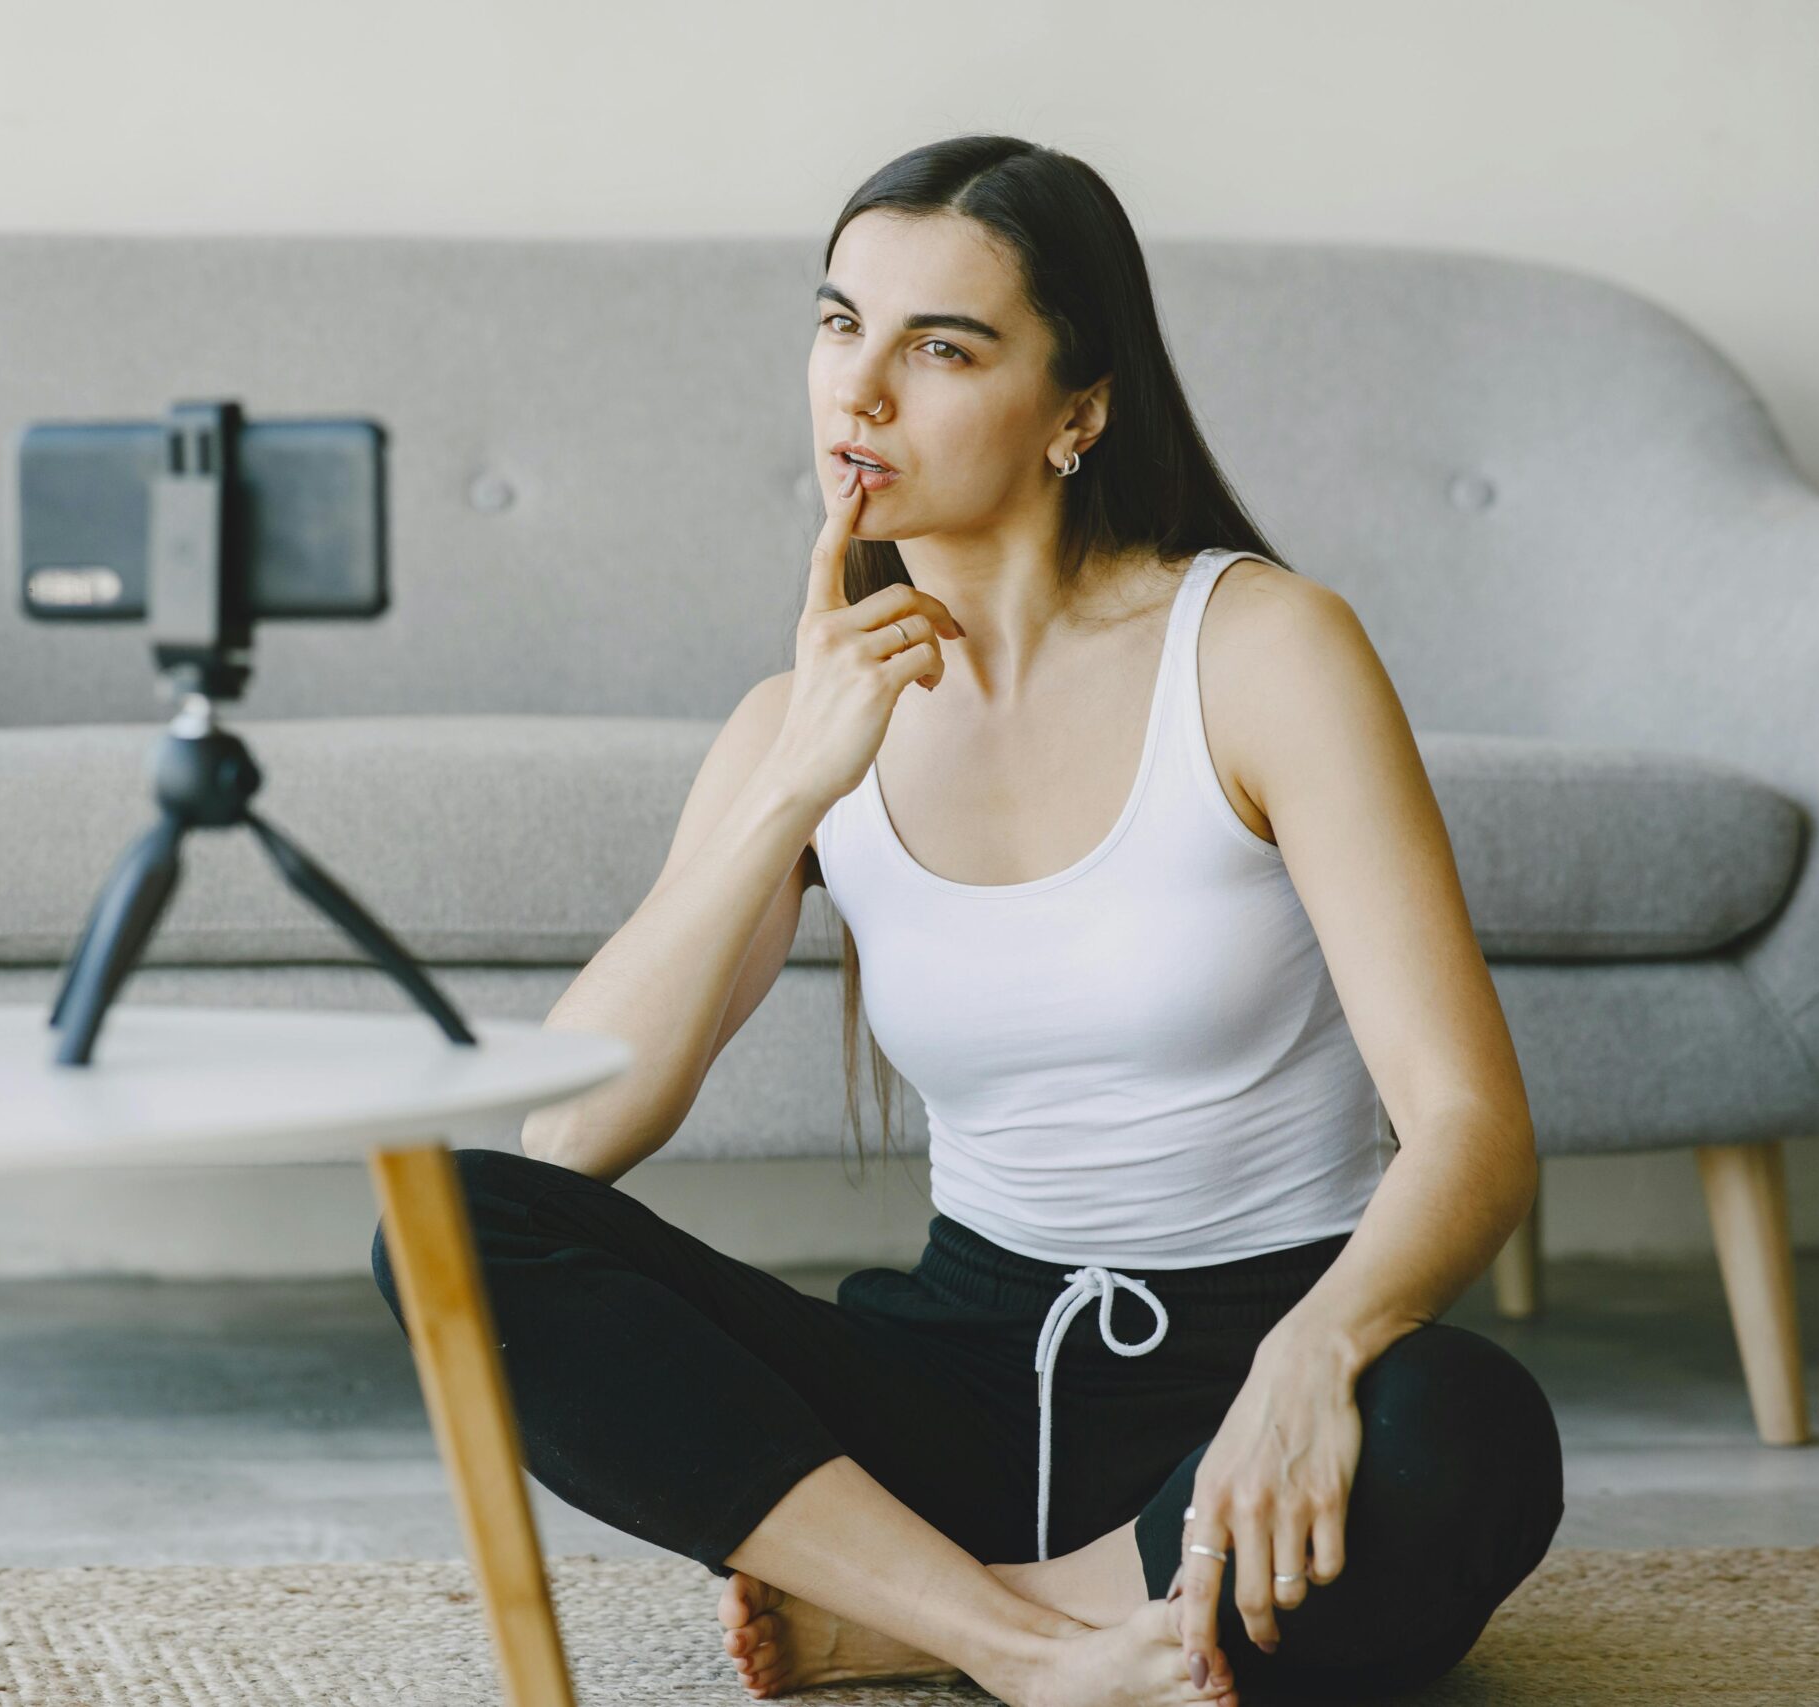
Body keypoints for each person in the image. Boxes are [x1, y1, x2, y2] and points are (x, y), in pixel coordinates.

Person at [372, 133, 1563, 1707]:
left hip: (1241, 1373)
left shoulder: (1262, 649)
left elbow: (1473, 1122)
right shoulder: (797, 728)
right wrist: (788, 789)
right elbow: (567, 1142)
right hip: (953, 1375)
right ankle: (1031, 1644)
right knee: (444, 1222)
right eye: (837, 322)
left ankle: (917, 1619)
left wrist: (1319, 1353)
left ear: (1081, 407)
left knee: (1465, 1438)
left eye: (941, 347)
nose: (859, 391)